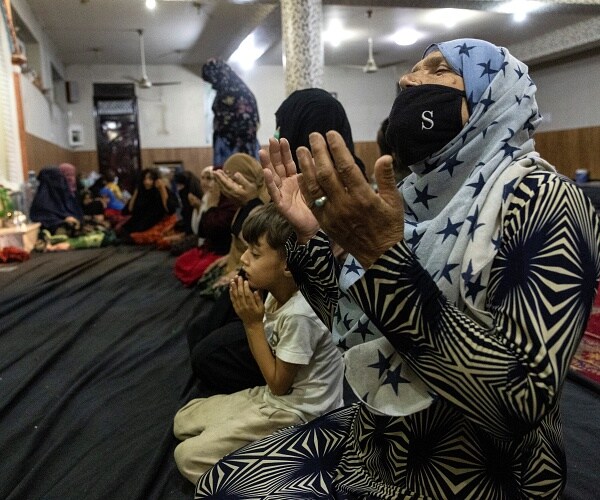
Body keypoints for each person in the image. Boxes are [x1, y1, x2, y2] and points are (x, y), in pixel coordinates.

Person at [194, 38, 600, 499]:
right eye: (409, 71)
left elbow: (518, 402)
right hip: (382, 435)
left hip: (476, 466)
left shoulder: (545, 199)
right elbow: (354, 331)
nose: (407, 79)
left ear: (491, 96)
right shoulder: (413, 198)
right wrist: (309, 239)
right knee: (219, 483)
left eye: (437, 67)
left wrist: (383, 258)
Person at [186, 89, 365, 396]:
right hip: (279, 296)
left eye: (283, 128)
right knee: (204, 327)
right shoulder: (292, 180)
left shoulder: (346, 186)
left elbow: (288, 249)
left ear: (306, 127)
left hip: (310, 314)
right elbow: (267, 239)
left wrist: (251, 203)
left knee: (209, 354)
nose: (278, 135)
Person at [173, 202, 344, 484]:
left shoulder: (302, 313)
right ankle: (255, 448)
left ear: (288, 265)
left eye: (254, 253)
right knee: (185, 418)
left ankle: (283, 468)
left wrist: (252, 324)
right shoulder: (275, 292)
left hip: (300, 415)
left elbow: (280, 383)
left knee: (188, 456)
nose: (244, 260)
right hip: (272, 398)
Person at [174, 166, 238, 286]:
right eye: (203, 178)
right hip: (207, 247)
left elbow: (214, 229)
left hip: (221, 251)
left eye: (213, 179)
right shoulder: (208, 197)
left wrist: (211, 206)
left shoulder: (231, 202)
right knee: (181, 262)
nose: (208, 183)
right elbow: (201, 231)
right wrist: (202, 208)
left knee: (196, 271)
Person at [201, 58, 260, 167]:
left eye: (212, 80)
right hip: (239, 145)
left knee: (235, 175)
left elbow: (243, 123)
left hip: (235, 146)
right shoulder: (240, 90)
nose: (213, 85)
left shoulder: (232, 93)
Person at [119, 167, 178, 244]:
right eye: (144, 179)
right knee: (122, 230)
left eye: (150, 179)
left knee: (134, 236)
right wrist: (136, 193)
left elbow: (170, 210)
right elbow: (128, 210)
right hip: (141, 220)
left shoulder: (162, 190)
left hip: (155, 221)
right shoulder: (141, 191)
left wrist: (162, 189)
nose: (146, 182)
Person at [30, 164, 84, 235]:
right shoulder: (42, 203)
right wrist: (63, 222)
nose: (61, 182)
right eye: (57, 179)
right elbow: (44, 221)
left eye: (61, 178)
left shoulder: (67, 196)